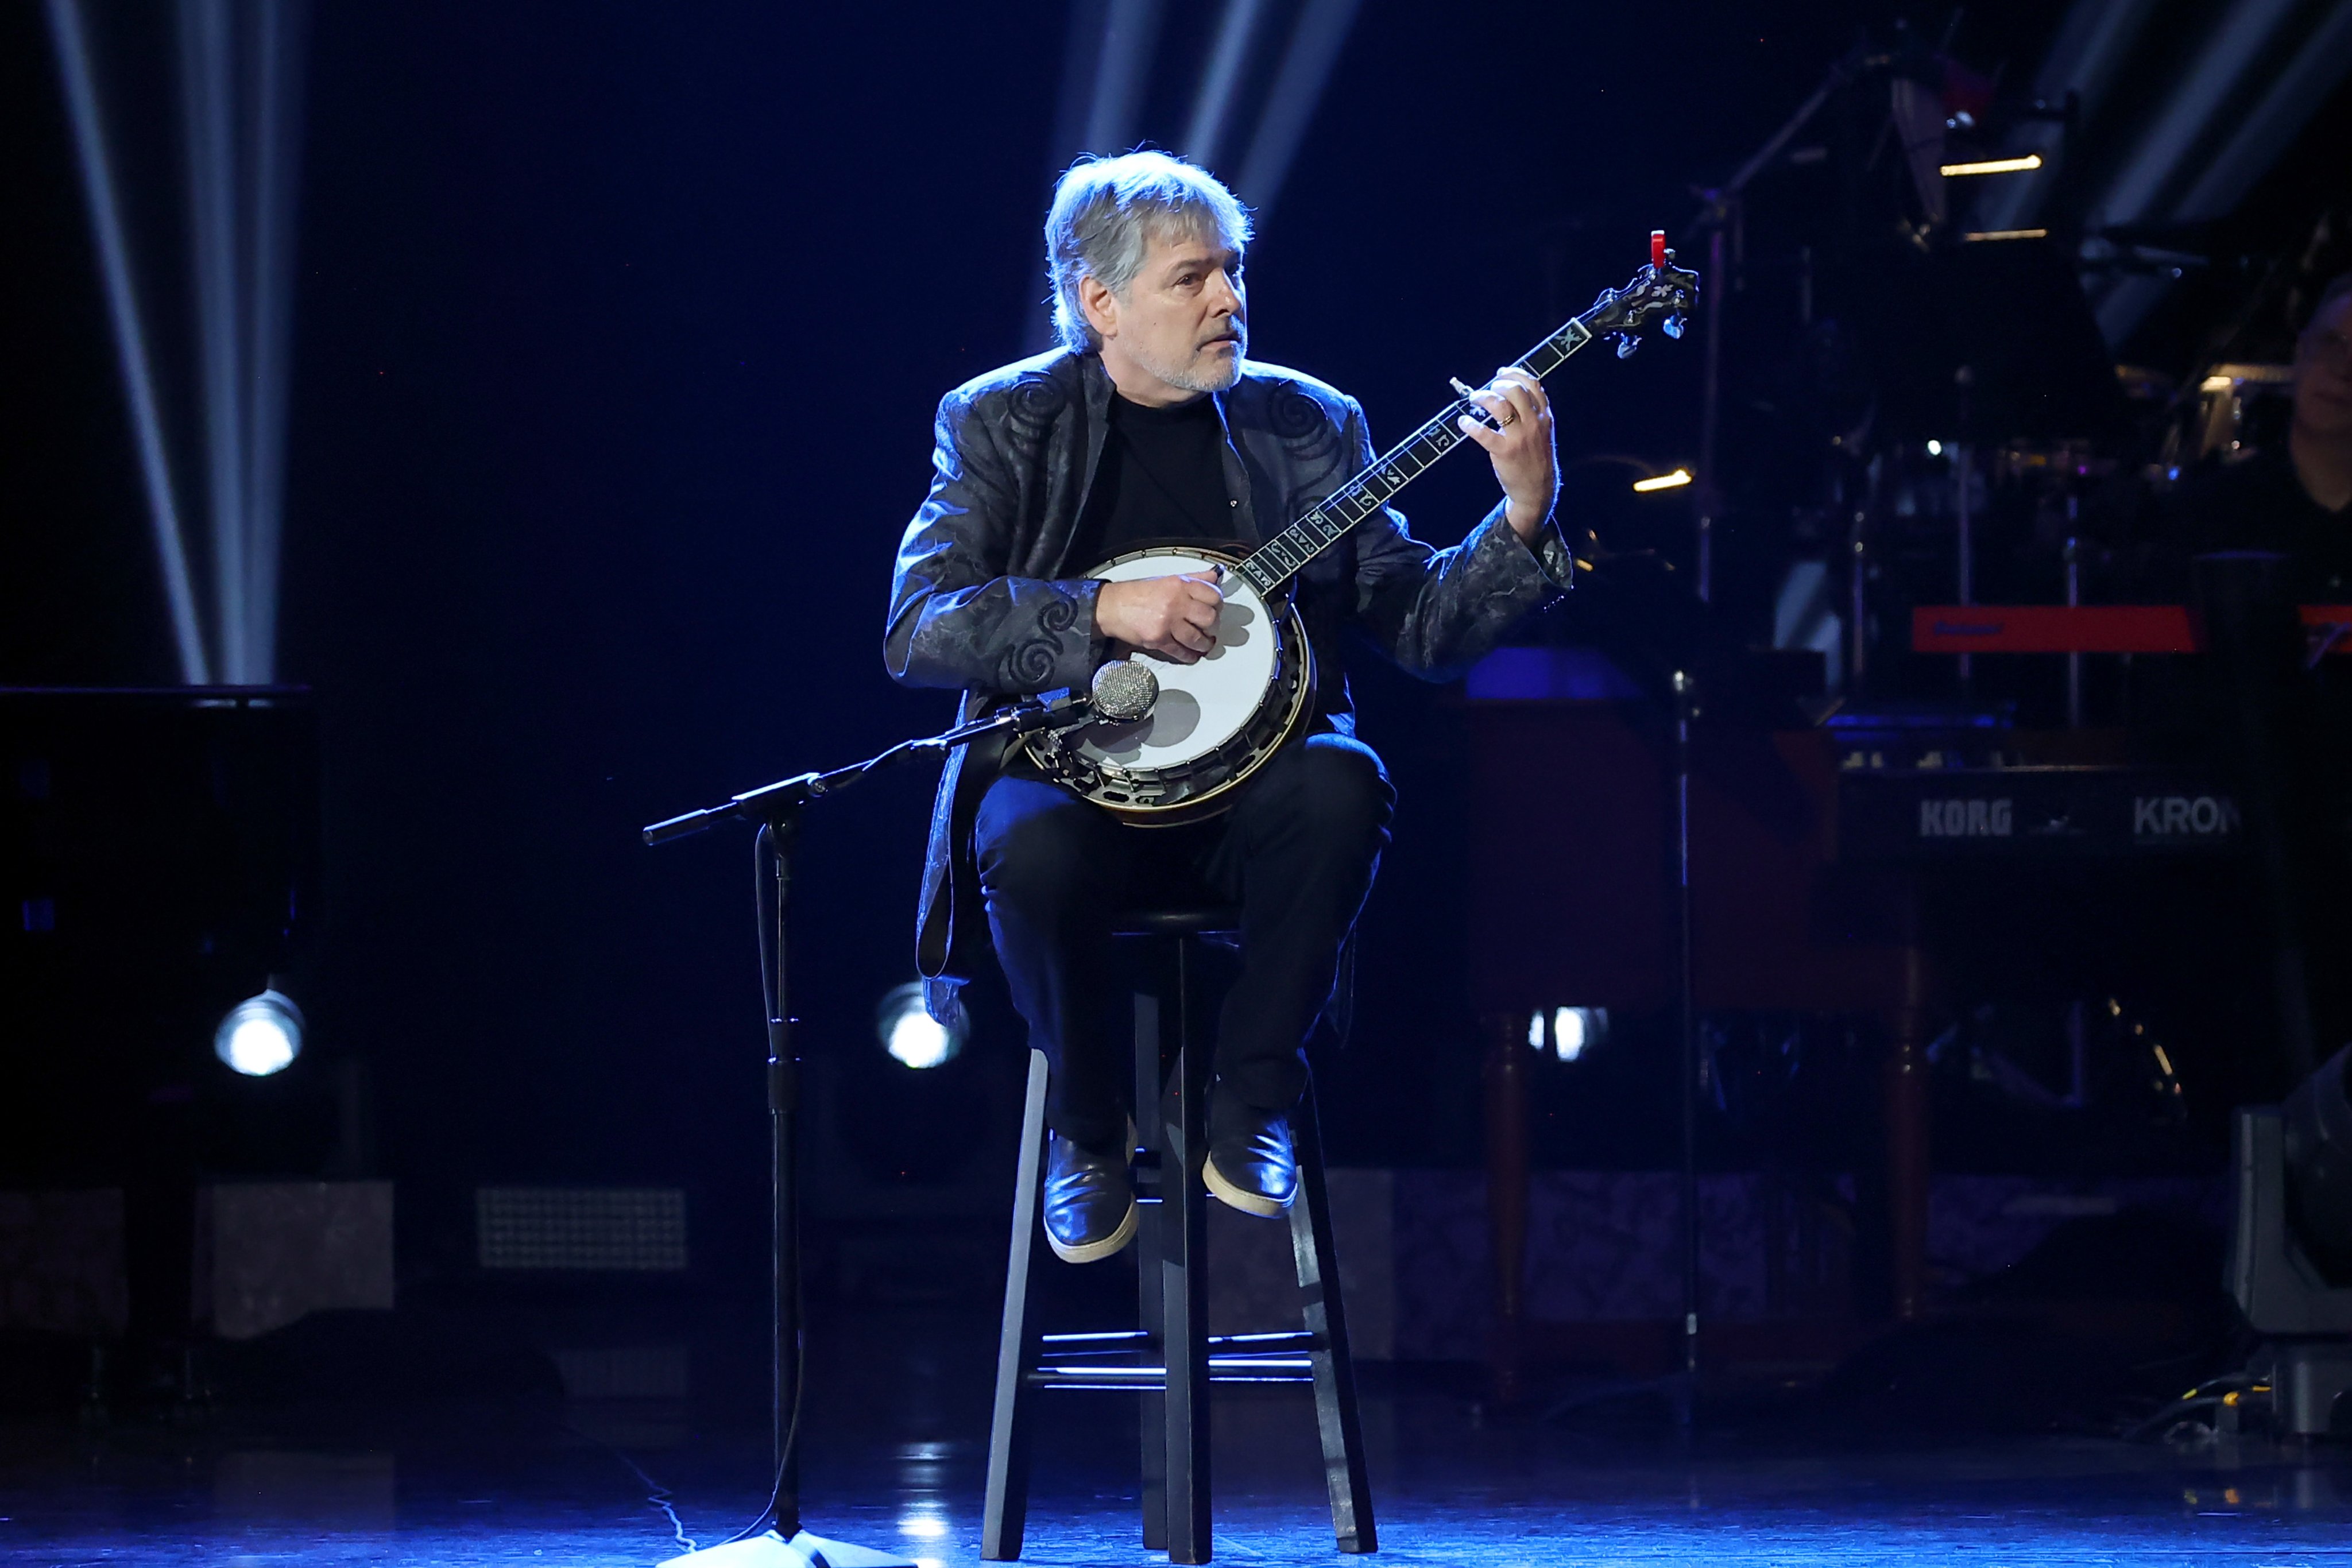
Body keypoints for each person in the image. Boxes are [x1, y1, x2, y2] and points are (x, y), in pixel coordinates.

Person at [884, 152, 1571, 1263]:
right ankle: (1088, 1129)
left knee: (1347, 779)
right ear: (1098, 302)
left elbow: (1425, 630)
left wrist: (1524, 518)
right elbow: (917, 624)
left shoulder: (1308, 426)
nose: (1228, 299)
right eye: (1191, 278)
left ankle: (1252, 1102)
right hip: (1080, 797)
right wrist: (1104, 608)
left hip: (1257, 814)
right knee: (1025, 841)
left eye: (1234, 272)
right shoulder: (1003, 421)